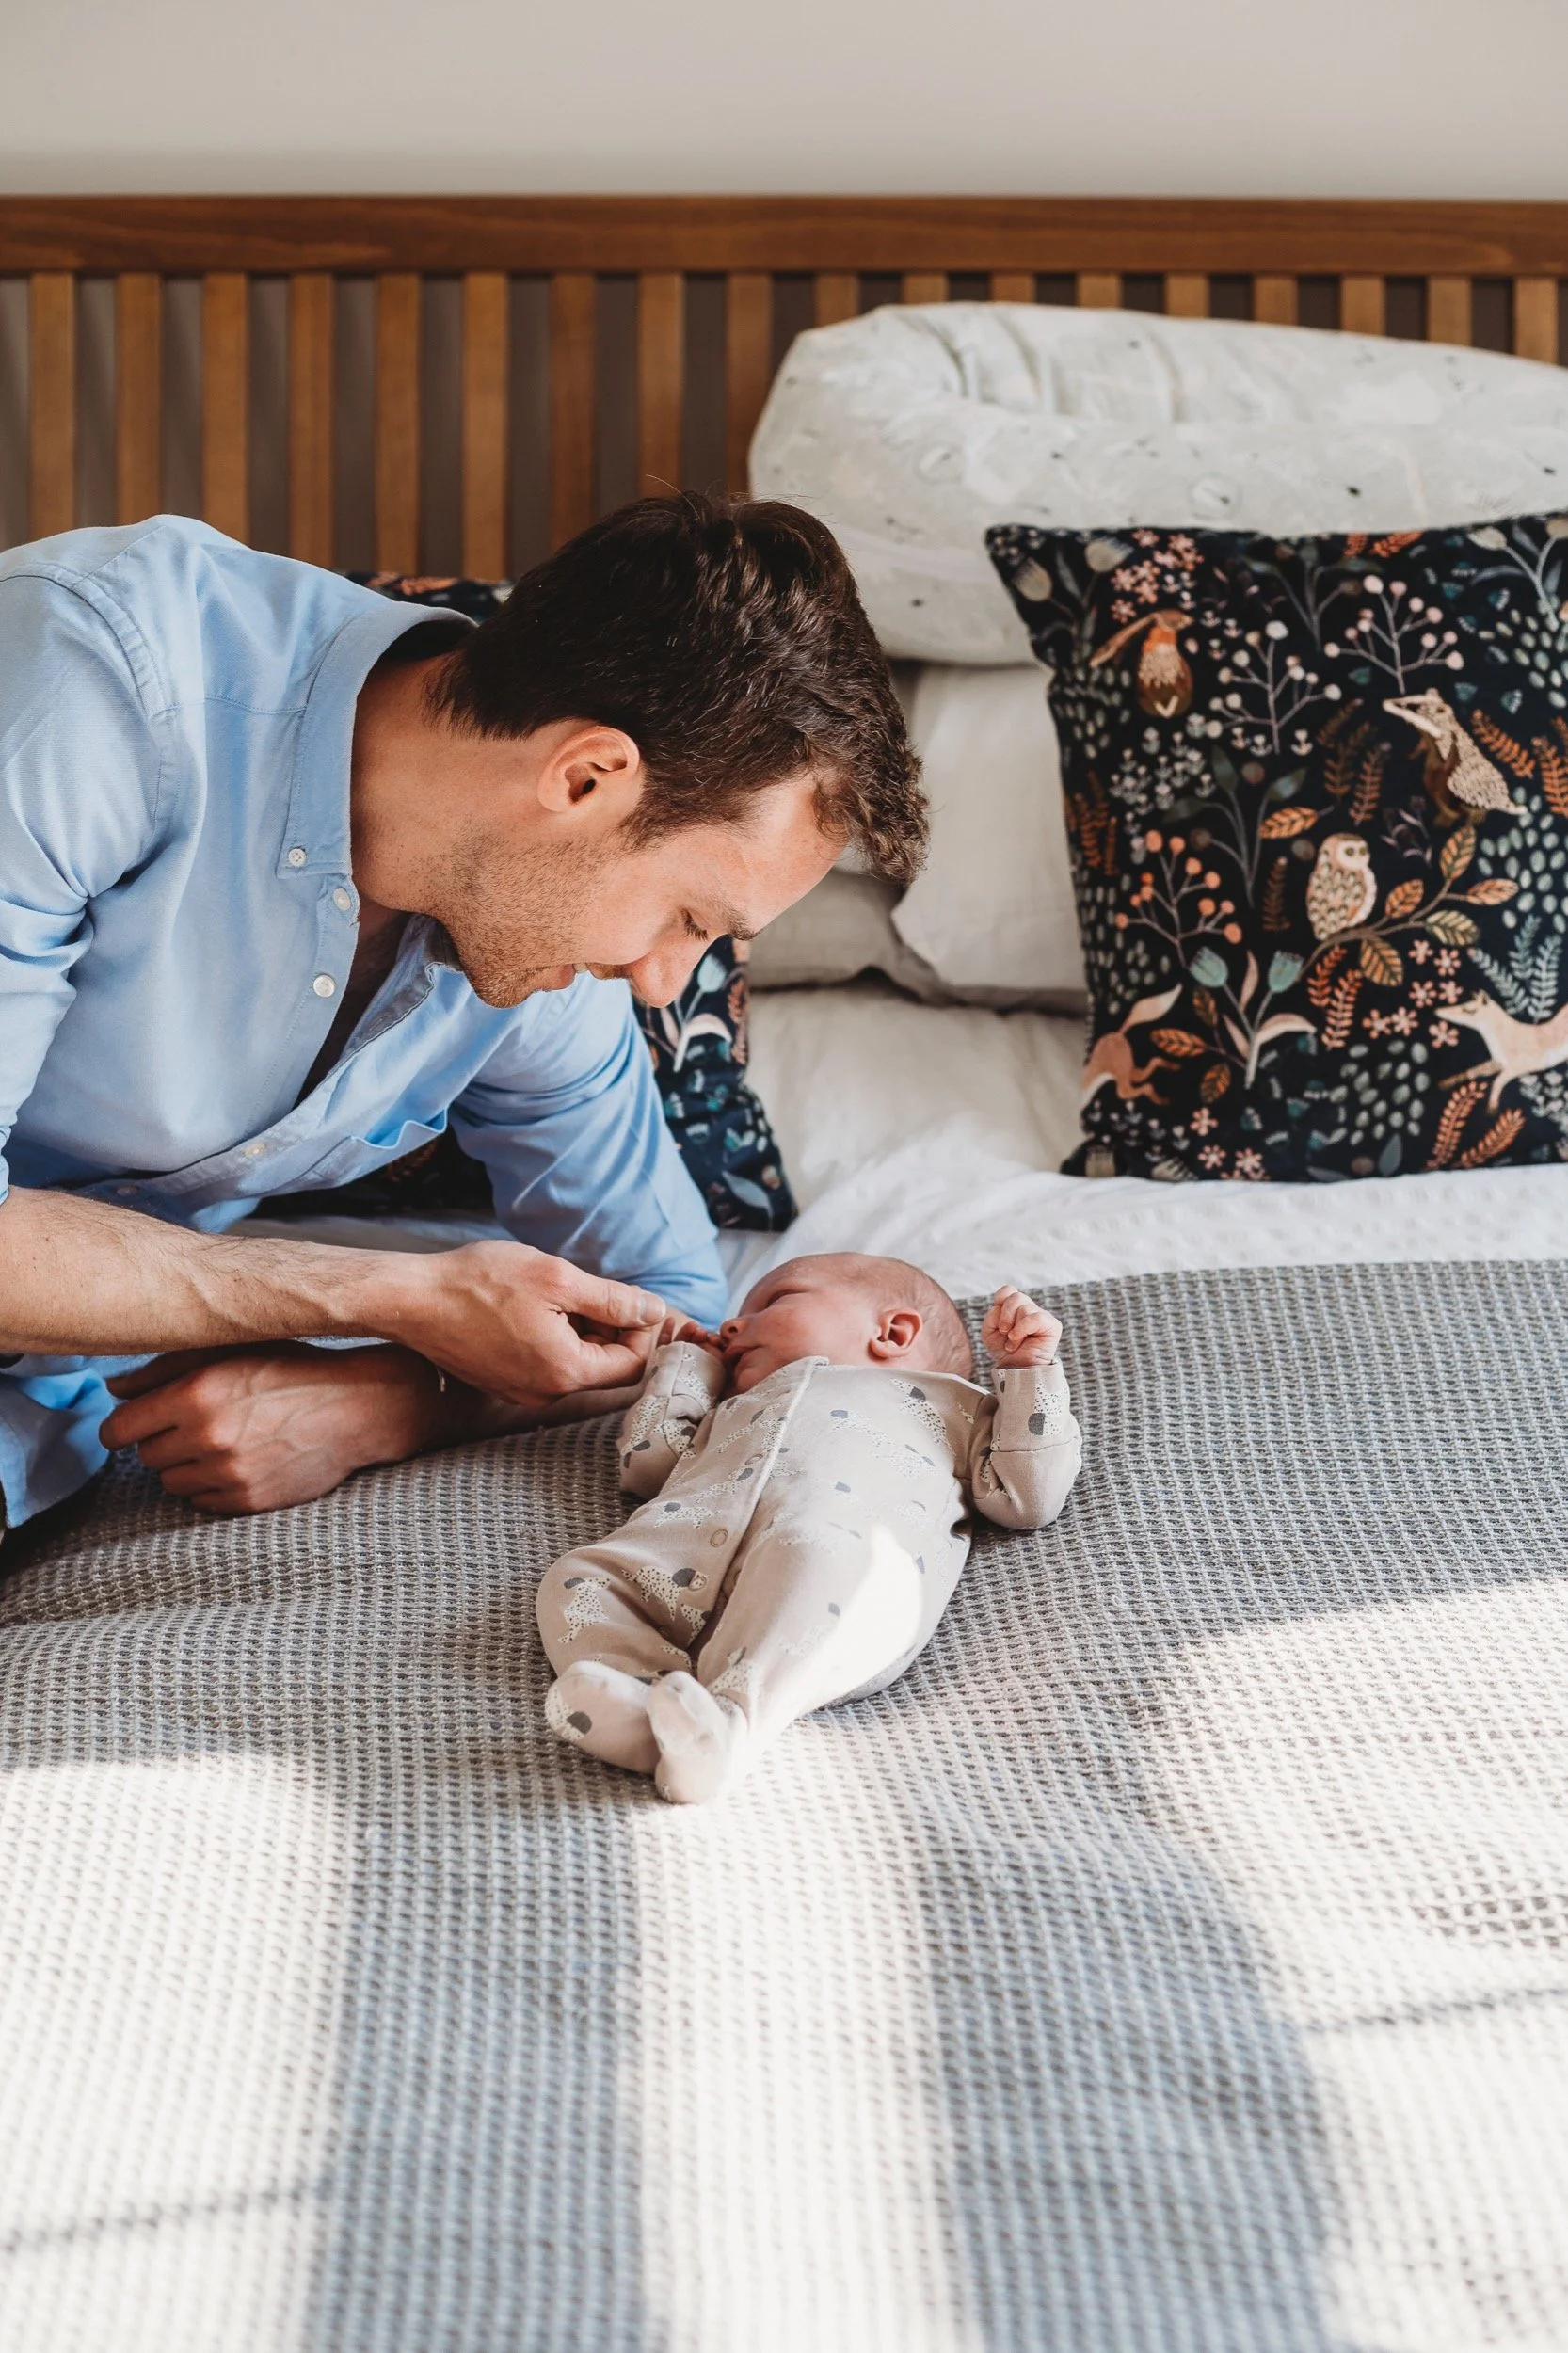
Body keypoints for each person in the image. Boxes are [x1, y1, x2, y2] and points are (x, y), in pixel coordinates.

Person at [0, 497, 924, 1529]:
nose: (665, 983)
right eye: (687, 915)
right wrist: (383, 1297)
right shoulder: (86, 687)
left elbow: (671, 1310)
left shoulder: (530, 964)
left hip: (43, 1434)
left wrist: (404, 1398)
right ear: (584, 779)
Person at [536, 1257, 1081, 1803]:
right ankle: (644, 1706)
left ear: (892, 1333)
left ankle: (731, 1724)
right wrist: (685, 1369)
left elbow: (1027, 1495)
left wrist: (1030, 1370)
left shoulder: (958, 1405)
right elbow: (649, 1464)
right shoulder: (733, 1407)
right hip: (675, 1557)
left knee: (814, 1555)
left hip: (829, 1567)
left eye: (774, 1302)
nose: (730, 1327)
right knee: (581, 1577)